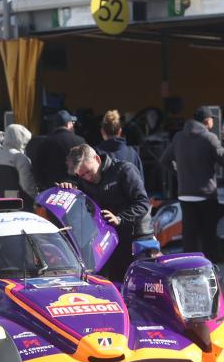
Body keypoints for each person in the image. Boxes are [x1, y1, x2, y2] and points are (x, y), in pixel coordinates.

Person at [61, 144, 150, 281]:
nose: (87, 178)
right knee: (110, 282)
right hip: (106, 241)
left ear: (97, 159)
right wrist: (67, 186)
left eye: (89, 172)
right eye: (82, 175)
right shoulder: (82, 180)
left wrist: (120, 218)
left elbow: (143, 203)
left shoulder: (124, 170)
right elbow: (76, 188)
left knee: (133, 283)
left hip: (134, 238)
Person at [159, 106, 224, 262]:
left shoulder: (179, 137)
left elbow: (164, 160)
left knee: (189, 237)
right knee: (208, 237)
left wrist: (179, 174)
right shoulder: (209, 138)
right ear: (207, 121)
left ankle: (189, 270)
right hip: (206, 195)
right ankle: (210, 269)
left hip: (185, 195)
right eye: (212, 118)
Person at [33, 110, 85, 190]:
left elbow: (37, 170)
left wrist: (44, 187)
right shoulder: (80, 141)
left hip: (52, 190)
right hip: (75, 189)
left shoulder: (45, 143)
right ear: (68, 124)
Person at [0, 124, 37, 210]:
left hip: (2, 203)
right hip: (21, 204)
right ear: (19, 138)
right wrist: (36, 198)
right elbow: (27, 185)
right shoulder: (19, 157)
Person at [97, 109, 143, 179]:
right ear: (120, 131)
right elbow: (140, 181)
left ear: (102, 132)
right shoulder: (132, 153)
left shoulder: (96, 154)